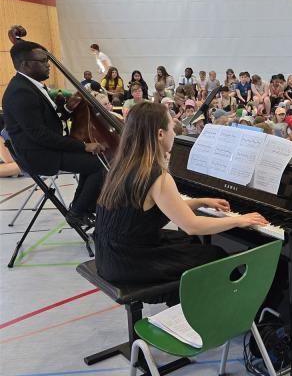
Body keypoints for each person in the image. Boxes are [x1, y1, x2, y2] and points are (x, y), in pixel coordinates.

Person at [94, 102, 267, 302]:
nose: (174, 133)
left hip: (109, 256)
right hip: (130, 264)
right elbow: (192, 225)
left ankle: (185, 304)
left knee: (187, 242)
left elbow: (152, 210)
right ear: (160, 134)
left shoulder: (123, 166)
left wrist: (200, 201)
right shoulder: (156, 175)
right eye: (171, 127)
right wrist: (239, 220)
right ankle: (231, 312)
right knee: (215, 254)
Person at [3, 40, 106, 227]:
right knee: (98, 166)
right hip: (39, 154)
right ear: (26, 64)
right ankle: (78, 212)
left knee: (97, 161)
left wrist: (67, 108)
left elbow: (48, 122)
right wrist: (84, 145)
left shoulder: (30, 86)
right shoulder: (20, 92)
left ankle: (81, 207)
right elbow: (39, 134)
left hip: (46, 148)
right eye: (42, 61)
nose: (48, 64)